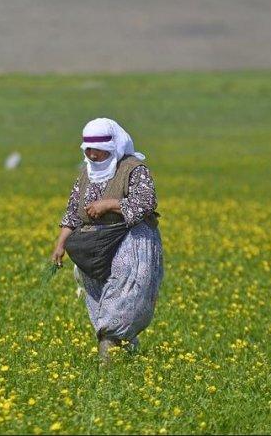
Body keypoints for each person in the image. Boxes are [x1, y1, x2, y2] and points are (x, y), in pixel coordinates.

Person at [50, 118, 163, 363]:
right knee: (100, 298)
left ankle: (108, 361)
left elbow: (146, 203)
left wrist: (110, 204)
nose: (92, 154)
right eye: (87, 149)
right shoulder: (85, 175)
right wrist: (60, 245)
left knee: (124, 295)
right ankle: (123, 351)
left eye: (98, 149)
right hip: (96, 246)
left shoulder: (134, 169)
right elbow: (72, 211)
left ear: (113, 147)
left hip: (131, 239)